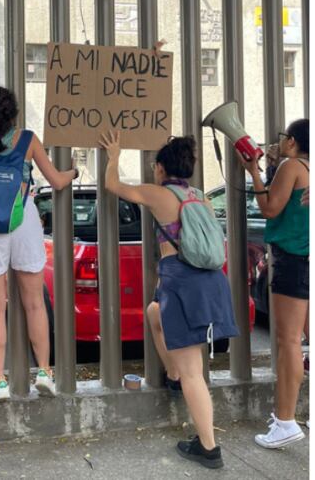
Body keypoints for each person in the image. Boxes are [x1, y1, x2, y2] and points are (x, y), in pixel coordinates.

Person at [100, 131, 236, 469]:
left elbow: (113, 186)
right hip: (211, 283)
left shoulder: (158, 195)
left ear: (161, 168)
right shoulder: (200, 197)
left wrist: (114, 155)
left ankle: (208, 448)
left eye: (154, 165)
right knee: (154, 312)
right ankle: (173, 375)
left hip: (183, 284)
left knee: (194, 373)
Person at [0, 87, 76, 399]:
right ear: (15, 114)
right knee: (35, 303)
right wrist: (75, 170)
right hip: (24, 221)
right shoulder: (29, 139)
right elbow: (56, 180)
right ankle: (44, 371)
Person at [248, 118, 309, 449]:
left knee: (288, 342)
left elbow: (270, 208)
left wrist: (254, 171)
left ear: (293, 141)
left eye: (285, 136)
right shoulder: (307, 169)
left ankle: (285, 421)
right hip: (307, 258)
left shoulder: (293, 165)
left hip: (292, 259)